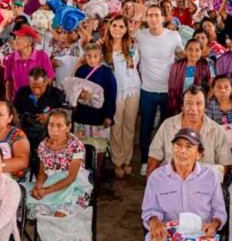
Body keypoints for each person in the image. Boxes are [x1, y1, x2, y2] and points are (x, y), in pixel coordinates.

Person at [136, 5, 184, 176]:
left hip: (168, 91)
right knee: (146, 128)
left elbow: (181, 55)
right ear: (146, 18)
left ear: (163, 17)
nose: (153, 19)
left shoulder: (173, 36)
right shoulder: (140, 36)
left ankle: (165, 161)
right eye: (150, 15)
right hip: (147, 90)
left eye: (156, 15)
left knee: (167, 128)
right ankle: (144, 161)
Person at [146, 86, 232, 178]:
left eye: (199, 103)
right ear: (182, 107)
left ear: (205, 107)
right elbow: (153, 161)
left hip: (203, 185)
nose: (193, 109)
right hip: (171, 183)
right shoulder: (167, 126)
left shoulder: (216, 130)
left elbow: (224, 167)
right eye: (189, 103)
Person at [27, 109, 92, 212]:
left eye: (59, 126)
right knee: (40, 212)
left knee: (60, 214)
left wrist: (46, 191)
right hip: (50, 184)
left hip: (73, 187)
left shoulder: (75, 146)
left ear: (68, 127)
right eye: (51, 125)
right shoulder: (43, 145)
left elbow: (71, 178)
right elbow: (42, 172)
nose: (54, 129)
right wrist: (38, 186)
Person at [104, 15, 141, 178]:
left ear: (126, 29)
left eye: (121, 27)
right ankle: (117, 161)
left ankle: (127, 159)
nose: (117, 29)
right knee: (116, 127)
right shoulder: (103, 47)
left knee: (129, 126)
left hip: (133, 89)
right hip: (114, 93)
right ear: (109, 27)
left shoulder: (132, 45)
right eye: (114, 26)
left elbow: (136, 65)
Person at [72, 43, 117, 172]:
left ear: (101, 56)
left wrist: (109, 115)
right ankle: (83, 170)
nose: (92, 59)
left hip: (100, 115)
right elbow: (74, 90)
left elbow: (111, 94)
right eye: (89, 56)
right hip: (83, 115)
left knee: (100, 144)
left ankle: (98, 171)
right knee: (82, 143)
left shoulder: (107, 73)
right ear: (85, 56)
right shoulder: (81, 71)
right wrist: (77, 100)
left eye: (95, 56)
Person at [12, 67, 68, 160]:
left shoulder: (56, 94)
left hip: (49, 137)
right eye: (33, 87)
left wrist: (50, 115)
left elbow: (66, 113)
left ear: (46, 82)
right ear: (29, 83)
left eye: (40, 87)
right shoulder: (22, 92)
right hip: (26, 136)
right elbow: (13, 112)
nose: (36, 91)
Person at [3, 25, 54, 101]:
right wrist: (10, 102)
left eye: (19, 38)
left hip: (39, 100)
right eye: (15, 38)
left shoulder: (42, 56)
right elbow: (9, 82)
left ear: (30, 41)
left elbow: (49, 80)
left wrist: (46, 100)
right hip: (18, 101)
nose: (15, 41)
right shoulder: (11, 58)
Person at [168, 39, 212, 115]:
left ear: (201, 52)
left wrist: (204, 104)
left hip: (200, 107)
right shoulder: (176, 66)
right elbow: (172, 90)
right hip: (180, 106)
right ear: (185, 50)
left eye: (197, 50)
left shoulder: (207, 66)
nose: (193, 53)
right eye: (190, 49)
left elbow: (212, 88)